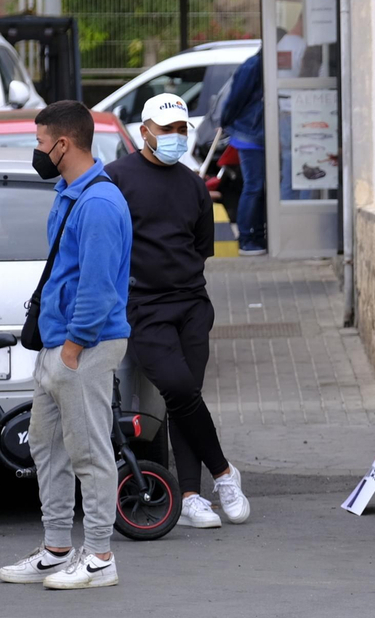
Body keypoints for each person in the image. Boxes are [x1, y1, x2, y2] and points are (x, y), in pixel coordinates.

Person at [0, 102, 131, 590]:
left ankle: (99, 556)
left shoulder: (98, 204)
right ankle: (56, 550)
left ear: (63, 144)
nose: (36, 151)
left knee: (89, 452)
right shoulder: (70, 193)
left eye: (39, 143)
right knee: (47, 447)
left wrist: (73, 348)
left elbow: (97, 287)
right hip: (59, 346)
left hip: (83, 347)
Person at [107, 94, 251, 530]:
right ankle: (223, 473)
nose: (174, 136)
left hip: (191, 304)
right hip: (143, 306)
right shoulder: (116, 178)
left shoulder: (192, 184)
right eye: (165, 129)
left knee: (185, 399)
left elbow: (200, 248)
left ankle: (190, 496)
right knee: (180, 390)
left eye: (180, 129)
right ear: (144, 131)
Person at [219, 30, 286, 256]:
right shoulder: (254, 65)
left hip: (257, 133)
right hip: (250, 133)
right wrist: (225, 121)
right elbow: (235, 98)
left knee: (259, 187)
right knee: (254, 186)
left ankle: (257, 236)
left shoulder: (263, 64)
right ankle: (247, 238)